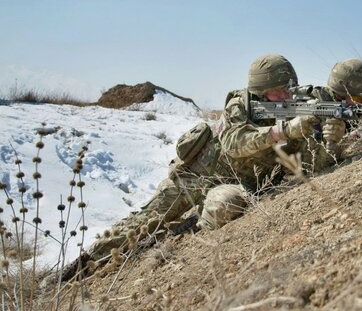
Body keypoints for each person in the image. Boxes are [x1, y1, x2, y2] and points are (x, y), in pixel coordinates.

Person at [61, 54, 344, 280]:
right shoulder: (240, 105)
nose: (286, 97)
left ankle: (188, 232)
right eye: (279, 92)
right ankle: (80, 267)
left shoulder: (297, 109)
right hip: (193, 176)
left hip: (233, 184)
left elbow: (312, 167)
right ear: (260, 91)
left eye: (289, 91)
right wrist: (284, 130)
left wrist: (331, 137)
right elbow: (235, 143)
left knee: (225, 205)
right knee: (142, 224)